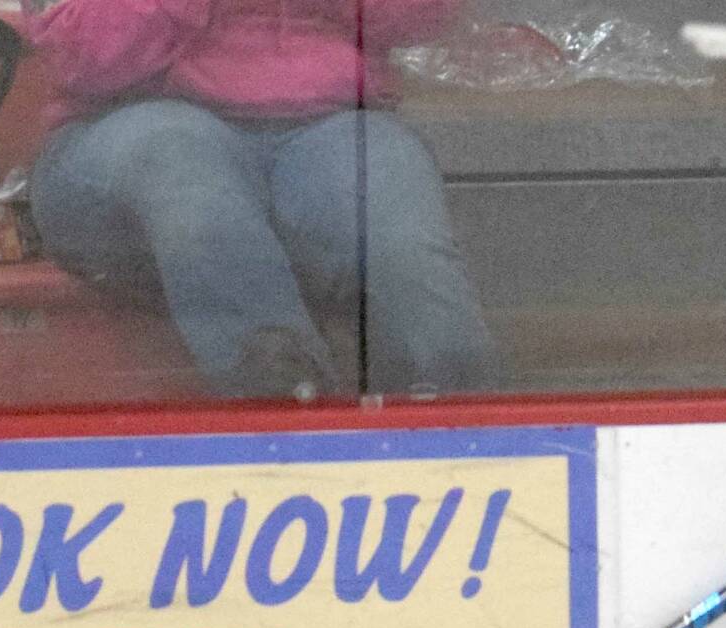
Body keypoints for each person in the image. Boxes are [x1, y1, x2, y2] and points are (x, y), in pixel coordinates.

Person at [25, 0, 502, 399]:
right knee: (192, 179)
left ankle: (466, 456)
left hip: (329, 124)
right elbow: (82, 58)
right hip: (129, 129)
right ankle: (287, 416)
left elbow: (421, 18)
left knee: (401, 249)